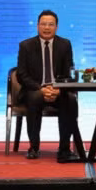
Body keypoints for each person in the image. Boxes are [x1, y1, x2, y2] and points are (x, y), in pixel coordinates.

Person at [16, 10, 77, 162]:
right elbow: (21, 75)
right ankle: (34, 147)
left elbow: (69, 72)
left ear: (56, 27)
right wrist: (41, 89)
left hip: (58, 89)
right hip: (35, 89)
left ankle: (64, 149)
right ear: (37, 26)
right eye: (43, 24)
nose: (47, 28)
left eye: (51, 24)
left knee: (70, 99)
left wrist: (58, 89)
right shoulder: (26, 45)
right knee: (35, 98)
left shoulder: (65, 45)